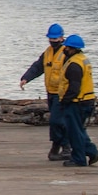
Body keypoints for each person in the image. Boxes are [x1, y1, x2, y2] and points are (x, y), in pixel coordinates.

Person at [19, 23, 71, 162]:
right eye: (51, 39)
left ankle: (64, 147)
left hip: (63, 93)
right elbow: (38, 67)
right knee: (56, 121)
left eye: (55, 39)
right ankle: (57, 149)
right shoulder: (47, 52)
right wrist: (26, 78)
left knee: (58, 121)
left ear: (61, 38)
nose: (53, 41)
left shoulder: (67, 52)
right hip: (51, 92)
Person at [56, 33, 98, 167]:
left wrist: (64, 101)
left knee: (74, 132)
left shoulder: (74, 65)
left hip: (77, 102)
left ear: (72, 49)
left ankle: (79, 159)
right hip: (86, 100)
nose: (64, 49)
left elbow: (74, 87)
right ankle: (91, 152)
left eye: (67, 48)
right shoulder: (82, 59)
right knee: (79, 130)